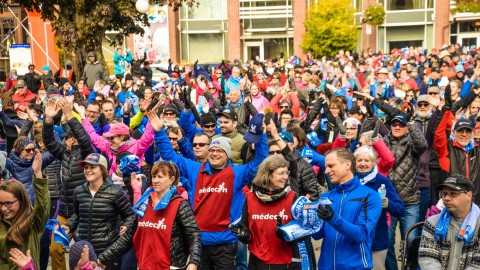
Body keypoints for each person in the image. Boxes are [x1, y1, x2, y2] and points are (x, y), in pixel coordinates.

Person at [153, 109, 268, 270]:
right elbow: (171, 157)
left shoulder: (237, 173)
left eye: (219, 151)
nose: (214, 154)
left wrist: (261, 136)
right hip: (199, 242)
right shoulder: (195, 170)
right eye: (212, 150)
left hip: (225, 243)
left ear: (227, 155)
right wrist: (159, 132)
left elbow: (260, 164)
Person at [63, 153, 135, 269]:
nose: (88, 170)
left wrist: (126, 225)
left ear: (102, 170)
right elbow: (77, 214)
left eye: (92, 167)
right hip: (84, 249)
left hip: (107, 250)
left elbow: (129, 215)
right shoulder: (78, 191)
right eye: (86, 167)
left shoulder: (116, 192)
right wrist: (69, 226)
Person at [313, 148, 382, 270]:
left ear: (347, 164)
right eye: (326, 167)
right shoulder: (326, 197)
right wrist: (306, 221)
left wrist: (332, 218)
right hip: (326, 266)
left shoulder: (370, 196)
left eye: (331, 166)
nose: (326, 171)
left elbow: (361, 234)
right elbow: (317, 235)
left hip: (355, 267)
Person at [230, 155, 302, 269]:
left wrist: (286, 234)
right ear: (268, 174)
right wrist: (244, 236)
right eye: (281, 173)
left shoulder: (293, 197)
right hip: (257, 263)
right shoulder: (250, 199)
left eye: (286, 173)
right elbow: (247, 231)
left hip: (286, 263)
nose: (285, 177)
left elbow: (303, 233)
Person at [133, 161, 201, 269]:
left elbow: (194, 235)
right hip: (145, 265)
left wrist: (194, 262)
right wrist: (103, 258)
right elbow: (128, 235)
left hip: (171, 265)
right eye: (154, 176)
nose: (155, 180)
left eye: (160, 177)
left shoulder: (180, 205)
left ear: (172, 179)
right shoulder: (143, 203)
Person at [354, 146, 404, 270]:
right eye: (359, 160)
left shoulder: (382, 181)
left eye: (367, 160)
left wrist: (388, 204)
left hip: (377, 240)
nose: (363, 164)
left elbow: (399, 209)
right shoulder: (349, 181)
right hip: (353, 240)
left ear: (373, 163)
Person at [0, 151, 49, 269]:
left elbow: (43, 206)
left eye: (9, 204)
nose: (4, 209)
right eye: (0, 204)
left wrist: (37, 173)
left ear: (21, 201)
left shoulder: (33, 223)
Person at [418, 175, 480, 269]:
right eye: (444, 194)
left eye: (453, 193)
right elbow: (427, 258)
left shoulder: (478, 225)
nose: (446, 198)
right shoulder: (432, 222)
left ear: (469, 195)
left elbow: (477, 264)